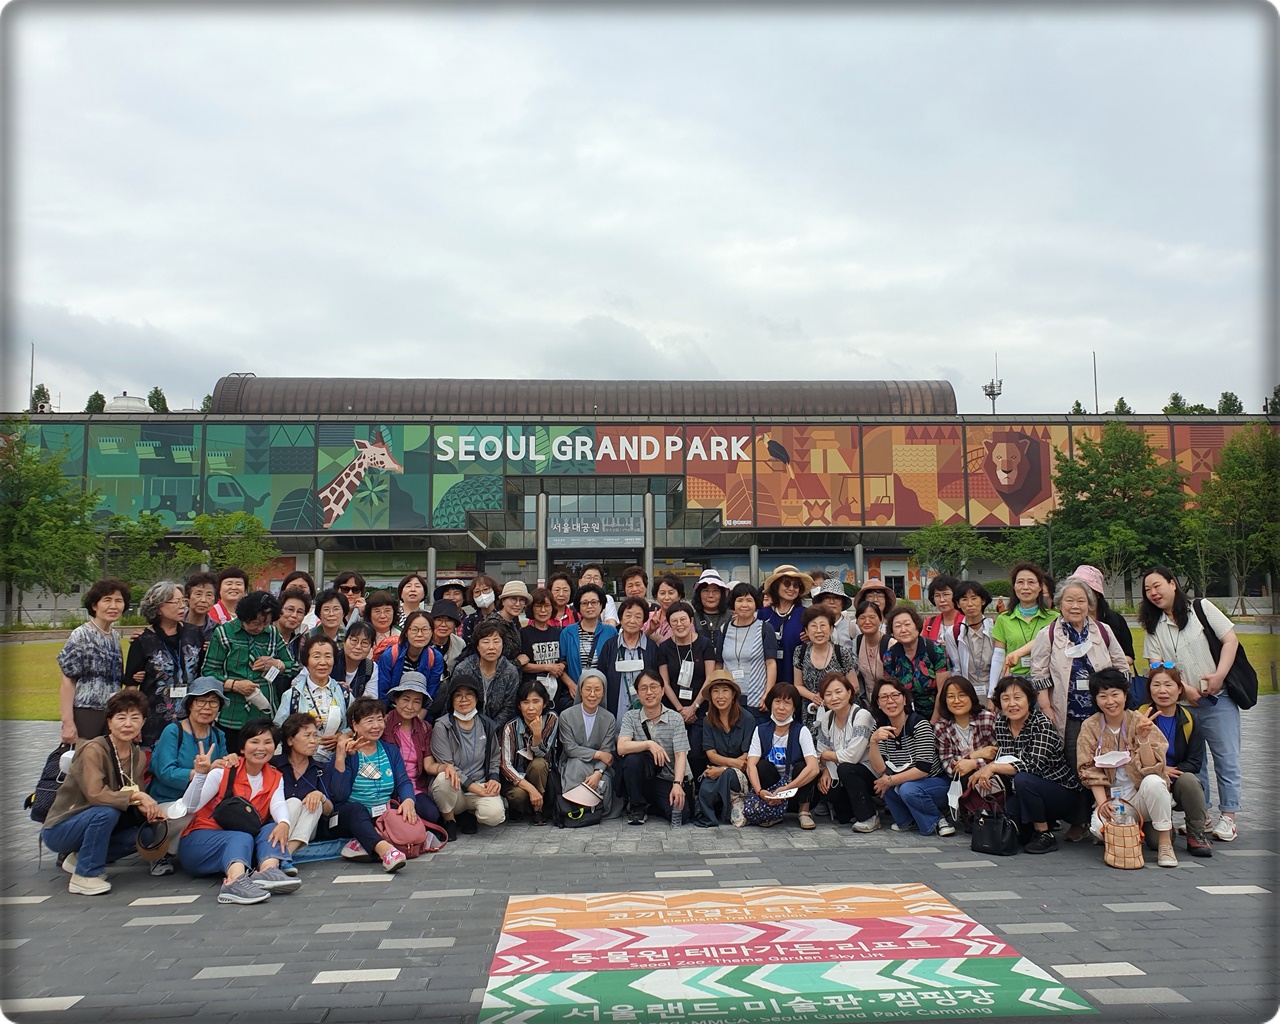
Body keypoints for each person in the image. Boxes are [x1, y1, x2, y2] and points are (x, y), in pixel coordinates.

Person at [1139, 566, 1242, 843]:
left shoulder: (1202, 609)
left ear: (1173, 584)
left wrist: (1219, 675)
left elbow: (1230, 640)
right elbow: (1156, 667)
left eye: (1158, 585)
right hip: (1184, 704)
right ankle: (1201, 814)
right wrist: (1185, 689)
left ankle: (1229, 816)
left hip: (1218, 698)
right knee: (1197, 762)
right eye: (1148, 589)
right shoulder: (1154, 627)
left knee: (1226, 757)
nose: (1153, 593)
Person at [1028, 574, 1130, 840]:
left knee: (1109, 763)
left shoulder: (1103, 631)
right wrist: (1046, 707)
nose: (1075, 606)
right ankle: (1080, 820)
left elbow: (1121, 665)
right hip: (1070, 713)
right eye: (1069, 600)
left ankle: (1109, 815)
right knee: (1078, 766)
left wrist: (1118, 696)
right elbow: (1039, 673)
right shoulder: (1048, 634)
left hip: (1103, 714)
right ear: (1059, 603)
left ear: (1090, 603)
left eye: (1081, 600)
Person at [41, 689, 167, 896]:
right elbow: (96, 795)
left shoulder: (138, 755)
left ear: (143, 722)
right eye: (121, 718)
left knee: (145, 833)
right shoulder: (94, 749)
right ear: (109, 722)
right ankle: (85, 876)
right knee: (106, 812)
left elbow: (135, 795)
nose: (128, 724)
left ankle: (79, 860)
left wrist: (151, 811)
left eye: (135, 718)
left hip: (98, 821)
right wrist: (137, 797)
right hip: (62, 827)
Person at [177, 718, 303, 904]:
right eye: (254, 741)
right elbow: (189, 806)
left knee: (273, 827)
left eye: (267, 742)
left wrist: (284, 823)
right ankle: (233, 882)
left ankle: (267, 871)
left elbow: (278, 804)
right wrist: (201, 775)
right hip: (200, 843)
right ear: (242, 747)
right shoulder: (224, 770)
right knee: (241, 837)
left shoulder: (275, 776)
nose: (261, 748)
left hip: (240, 842)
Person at [1077, 669, 1178, 868]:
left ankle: (1165, 843)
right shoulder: (1090, 726)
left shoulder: (1140, 721)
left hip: (1141, 796)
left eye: (1115, 694)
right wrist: (1103, 804)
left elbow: (1153, 768)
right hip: (1114, 800)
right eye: (1103, 696)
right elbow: (1088, 769)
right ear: (1095, 699)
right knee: (1098, 828)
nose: (1110, 701)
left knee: (1154, 782)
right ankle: (1137, 830)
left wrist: (1143, 738)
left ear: (1125, 695)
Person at [969, 675, 1081, 853]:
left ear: (1029, 700)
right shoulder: (1001, 724)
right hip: (1025, 791)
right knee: (1011, 833)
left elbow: (1033, 766)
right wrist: (982, 768)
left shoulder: (1041, 724)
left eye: (1017, 697)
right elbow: (1005, 758)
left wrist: (992, 767)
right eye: (1006, 699)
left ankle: (1045, 834)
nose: (1012, 704)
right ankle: (1035, 826)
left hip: (1060, 790)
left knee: (1023, 778)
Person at [147, 676, 232, 876]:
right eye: (201, 701)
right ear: (190, 705)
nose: (207, 707)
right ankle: (160, 852)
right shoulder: (173, 731)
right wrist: (200, 772)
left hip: (204, 799)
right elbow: (166, 772)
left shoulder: (218, 735)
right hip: (169, 799)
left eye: (213, 702)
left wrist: (229, 761)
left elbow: (222, 770)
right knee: (186, 813)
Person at [328, 697, 419, 872]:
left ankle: (361, 844)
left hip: (381, 816)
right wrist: (340, 758)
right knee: (357, 810)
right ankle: (387, 852)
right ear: (355, 725)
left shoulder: (390, 751)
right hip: (345, 818)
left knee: (413, 807)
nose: (376, 726)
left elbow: (403, 780)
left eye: (380, 719)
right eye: (369, 721)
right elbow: (339, 795)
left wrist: (409, 800)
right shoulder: (348, 753)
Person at [203, 590, 296, 742]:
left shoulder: (272, 633)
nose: (260, 628)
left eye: (265, 623)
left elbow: (293, 666)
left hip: (264, 711)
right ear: (243, 617)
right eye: (255, 623)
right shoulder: (224, 633)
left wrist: (277, 664)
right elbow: (208, 672)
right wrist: (234, 685)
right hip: (231, 713)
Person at [1139, 664, 1212, 856]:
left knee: (1190, 780)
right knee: (1156, 843)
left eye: (1168, 685)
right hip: (1149, 782)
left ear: (1180, 689)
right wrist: (1160, 770)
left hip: (1177, 779)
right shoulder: (1138, 717)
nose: (1162, 691)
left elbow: (1195, 762)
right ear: (1149, 689)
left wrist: (1170, 773)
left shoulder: (1190, 719)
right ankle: (1164, 825)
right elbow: (1130, 757)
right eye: (1156, 685)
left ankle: (1196, 832)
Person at [867, 679, 952, 836]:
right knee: (886, 786)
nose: (890, 701)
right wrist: (873, 742)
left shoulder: (920, 724)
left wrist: (890, 780)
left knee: (906, 788)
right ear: (878, 703)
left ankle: (938, 819)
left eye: (895, 695)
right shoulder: (879, 727)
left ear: (905, 699)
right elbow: (880, 768)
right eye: (884, 697)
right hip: (907, 782)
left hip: (935, 782)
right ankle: (911, 821)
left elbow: (923, 769)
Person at [125, 580, 204, 748]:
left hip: (191, 717)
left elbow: (203, 672)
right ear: (158, 607)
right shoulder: (143, 641)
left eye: (183, 601)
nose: (182, 606)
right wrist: (133, 723)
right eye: (175, 602)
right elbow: (131, 688)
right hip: (154, 718)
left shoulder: (194, 634)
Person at [427, 674, 506, 840]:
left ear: (477, 697)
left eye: (469, 694)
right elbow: (446, 764)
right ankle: (449, 820)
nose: (464, 699)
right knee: (444, 777)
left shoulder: (487, 724)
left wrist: (493, 778)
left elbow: (494, 757)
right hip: (454, 789)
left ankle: (469, 813)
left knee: (495, 815)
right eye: (458, 695)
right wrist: (475, 788)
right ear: (451, 700)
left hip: (480, 784)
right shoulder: (442, 726)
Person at [58, 577, 129, 744]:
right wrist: (68, 723)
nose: (114, 606)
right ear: (94, 605)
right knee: (85, 757)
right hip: (86, 711)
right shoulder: (81, 635)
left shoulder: (114, 637)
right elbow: (68, 680)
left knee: (107, 757)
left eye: (119, 601)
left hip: (112, 712)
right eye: (107, 600)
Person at [743, 683, 821, 829]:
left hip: (796, 791)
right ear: (770, 704)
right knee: (761, 765)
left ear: (794, 708)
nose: (781, 707)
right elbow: (751, 765)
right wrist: (760, 791)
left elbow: (814, 768)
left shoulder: (801, 730)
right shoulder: (760, 730)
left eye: (787, 703)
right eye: (777, 701)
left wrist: (788, 788)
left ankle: (804, 812)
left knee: (804, 766)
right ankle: (773, 810)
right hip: (772, 793)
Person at [617, 670, 690, 826]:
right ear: (638, 693)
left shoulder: (675, 719)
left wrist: (677, 784)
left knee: (681, 815)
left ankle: (653, 806)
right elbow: (621, 747)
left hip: (668, 779)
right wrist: (649, 744)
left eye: (654, 687)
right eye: (643, 688)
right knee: (632, 759)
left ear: (662, 690)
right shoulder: (631, 717)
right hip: (643, 778)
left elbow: (680, 755)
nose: (649, 692)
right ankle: (637, 807)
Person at [812, 673, 878, 832]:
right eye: (828, 694)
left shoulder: (861, 716)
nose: (834, 698)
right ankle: (851, 811)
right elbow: (821, 750)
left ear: (849, 692)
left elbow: (853, 756)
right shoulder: (828, 718)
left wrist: (826, 757)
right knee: (824, 784)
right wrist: (825, 770)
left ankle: (869, 816)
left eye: (838, 692)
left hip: (869, 772)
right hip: (840, 771)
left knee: (846, 768)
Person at [658, 601, 715, 779]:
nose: (679, 624)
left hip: (700, 708)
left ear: (691, 620)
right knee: (674, 752)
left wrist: (694, 707)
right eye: (674, 621)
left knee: (696, 753)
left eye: (683, 619)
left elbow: (709, 678)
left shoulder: (704, 644)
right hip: (673, 709)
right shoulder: (664, 647)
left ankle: (697, 787)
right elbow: (664, 683)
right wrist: (680, 710)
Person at [272, 712, 341, 862]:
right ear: (290, 740)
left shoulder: (320, 769)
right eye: (307, 736)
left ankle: (286, 853)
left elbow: (329, 810)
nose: (313, 741)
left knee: (316, 801)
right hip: (276, 825)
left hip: (307, 829)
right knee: (293, 803)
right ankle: (284, 858)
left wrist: (321, 797)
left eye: (315, 736)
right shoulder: (273, 765)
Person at [933, 676, 998, 831]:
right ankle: (972, 815)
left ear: (971, 696)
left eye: (962, 695)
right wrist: (976, 756)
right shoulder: (941, 727)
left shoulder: (987, 719)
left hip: (990, 777)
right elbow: (950, 767)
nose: (957, 701)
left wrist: (975, 764)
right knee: (965, 774)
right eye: (951, 696)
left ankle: (990, 814)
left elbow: (997, 755)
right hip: (961, 780)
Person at [273, 635, 351, 762]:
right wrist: (301, 724)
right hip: (301, 763)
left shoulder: (344, 693)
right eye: (316, 656)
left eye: (328, 656)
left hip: (337, 761)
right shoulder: (292, 695)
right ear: (307, 661)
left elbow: (356, 724)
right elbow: (277, 730)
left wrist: (342, 735)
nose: (323, 662)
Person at [694, 670, 754, 827]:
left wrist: (724, 769)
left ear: (733, 694)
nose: (720, 696)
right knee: (705, 790)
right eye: (715, 691)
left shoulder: (747, 718)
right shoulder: (708, 720)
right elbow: (711, 754)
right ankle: (717, 812)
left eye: (725, 690)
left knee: (729, 776)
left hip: (739, 773)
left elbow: (746, 757)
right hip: (716, 769)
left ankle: (731, 808)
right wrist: (724, 767)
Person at [555, 670, 618, 817]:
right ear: (580, 691)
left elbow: (607, 752)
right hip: (573, 762)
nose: (592, 694)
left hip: (599, 767)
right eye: (588, 689)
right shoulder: (566, 716)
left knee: (603, 780)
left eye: (597, 690)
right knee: (577, 765)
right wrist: (598, 754)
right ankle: (573, 809)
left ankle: (595, 812)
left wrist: (598, 773)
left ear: (603, 692)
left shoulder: (609, 718)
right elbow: (570, 749)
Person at [713, 582, 778, 724]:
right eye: (739, 600)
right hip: (728, 699)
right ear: (733, 603)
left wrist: (768, 694)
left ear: (756, 604)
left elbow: (771, 663)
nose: (744, 605)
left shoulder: (765, 628)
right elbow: (719, 664)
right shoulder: (724, 629)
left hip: (756, 698)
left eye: (749, 600)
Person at [381, 675, 442, 824]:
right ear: (396, 699)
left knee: (432, 815)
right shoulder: (383, 723)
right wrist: (345, 735)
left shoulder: (425, 728)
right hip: (388, 787)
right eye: (405, 699)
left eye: (416, 701)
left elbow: (428, 764)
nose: (410, 706)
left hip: (415, 787)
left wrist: (445, 768)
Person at [499, 680, 560, 824]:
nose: (531, 708)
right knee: (518, 795)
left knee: (539, 764)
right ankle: (519, 807)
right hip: (516, 778)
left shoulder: (551, 719)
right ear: (519, 705)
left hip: (540, 775)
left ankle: (538, 810)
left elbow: (543, 754)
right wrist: (531, 789)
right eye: (526, 702)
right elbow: (505, 766)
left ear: (544, 703)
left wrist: (537, 735)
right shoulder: (510, 727)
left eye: (536, 701)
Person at [991, 562, 1058, 692]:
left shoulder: (1055, 618)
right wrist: (992, 692)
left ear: (1040, 587)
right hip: (1015, 683)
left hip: (1047, 681)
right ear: (1014, 587)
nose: (1025, 587)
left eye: (1031, 582)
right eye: (1020, 582)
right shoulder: (1003, 619)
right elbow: (998, 657)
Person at [444, 618, 521, 726]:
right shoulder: (463, 669)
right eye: (485, 642)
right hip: (466, 725)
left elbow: (509, 707)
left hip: (498, 729)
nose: (491, 647)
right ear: (477, 646)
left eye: (496, 642)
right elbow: (454, 702)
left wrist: (492, 728)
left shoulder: (510, 671)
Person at [882, 607, 951, 723]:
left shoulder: (936, 650)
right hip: (905, 718)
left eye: (907, 624)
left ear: (917, 626)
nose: (903, 630)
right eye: (897, 626)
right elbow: (891, 691)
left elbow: (943, 690)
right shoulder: (890, 656)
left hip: (937, 716)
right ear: (892, 632)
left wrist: (933, 722)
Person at [792, 606, 857, 728]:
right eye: (813, 626)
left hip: (839, 713)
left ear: (831, 629)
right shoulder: (800, 652)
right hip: (811, 713)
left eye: (823, 625)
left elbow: (854, 686)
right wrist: (814, 697)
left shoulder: (841, 653)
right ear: (806, 630)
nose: (818, 631)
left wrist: (831, 699)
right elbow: (798, 685)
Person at [598, 596, 661, 719]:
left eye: (638, 617)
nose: (632, 621)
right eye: (628, 616)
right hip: (615, 712)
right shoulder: (610, 646)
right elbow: (602, 677)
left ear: (643, 621)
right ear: (620, 619)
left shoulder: (651, 647)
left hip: (646, 713)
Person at [559, 584, 618, 701]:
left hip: (603, 692)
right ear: (578, 607)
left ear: (601, 605)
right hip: (576, 691)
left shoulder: (610, 631)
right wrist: (571, 685)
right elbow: (560, 664)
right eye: (585, 603)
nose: (590, 606)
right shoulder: (567, 632)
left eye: (594, 602)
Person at [1071, 565, 1135, 669]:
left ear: (1097, 594)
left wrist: (1105, 662)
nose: (1081, 594)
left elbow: (1129, 657)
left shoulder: (1115, 619)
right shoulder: (1063, 623)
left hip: (1109, 677)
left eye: (1086, 590)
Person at [943, 581, 997, 704]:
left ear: (983, 601)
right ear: (958, 603)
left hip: (994, 693)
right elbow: (956, 669)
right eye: (964, 599)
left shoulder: (995, 628)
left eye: (974, 598)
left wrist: (995, 696)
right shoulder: (953, 633)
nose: (970, 604)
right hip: (967, 694)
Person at [759, 565, 813, 685]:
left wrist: (812, 637)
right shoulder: (763, 614)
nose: (792, 588)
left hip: (797, 679)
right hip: (765, 679)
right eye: (787, 583)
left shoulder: (806, 614)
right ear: (776, 586)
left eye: (796, 585)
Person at [375, 609, 443, 704]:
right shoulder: (390, 655)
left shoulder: (435, 658)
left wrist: (422, 713)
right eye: (414, 630)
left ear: (432, 632)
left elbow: (431, 692)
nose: (419, 635)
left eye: (425, 630)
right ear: (406, 632)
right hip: (391, 709)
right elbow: (382, 692)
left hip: (419, 708)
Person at [519, 588, 568, 709]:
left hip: (555, 691)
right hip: (531, 693)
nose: (543, 610)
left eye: (547, 606)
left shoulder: (558, 633)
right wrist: (547, 667)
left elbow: (564, 659)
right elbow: (522, 665)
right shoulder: (523, 633)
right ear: (532, 608)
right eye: (538, 606)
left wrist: (561, 665)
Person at [851, 600, 890, 703]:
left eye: (872, 617)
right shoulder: (857, 642)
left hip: (890, 702)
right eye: (862, 618)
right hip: (869, 703)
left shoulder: (890, 644)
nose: (867, 622)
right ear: (857, 621)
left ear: (880, 620)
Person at [489, 580, 530, 661]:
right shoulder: (493, 624)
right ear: (503, 601)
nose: (518, 604)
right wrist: (518, 662)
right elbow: (491, 660)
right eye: (513, 599)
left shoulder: (513, 621)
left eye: (522, 600)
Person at [427, 599, 467, 682]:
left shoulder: (460, 643)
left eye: (449, 620)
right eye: (439, 619)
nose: (443, 625)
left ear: (455, 624)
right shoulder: (423, 641)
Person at [340, 621, 379, 698]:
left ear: (371, 647)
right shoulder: (331, 660)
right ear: (344, 641)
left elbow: (370, 700)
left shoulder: (370, 668)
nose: (358, 647)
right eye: (354, 640)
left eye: (365, 643)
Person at [810, 578, 854, 646]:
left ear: (842, 603)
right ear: (821, 602)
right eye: (827, 598)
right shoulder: (812, 627)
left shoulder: (853, 628)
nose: (832, 602)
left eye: (836, 598)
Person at [275, 587, 312, 666]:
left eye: (300, 612)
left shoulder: (303, 635)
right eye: (290, 609)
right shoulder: (266, 632)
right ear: (279, 609)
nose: (294, 615)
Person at [692, 569, 732, 641]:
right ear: (699, 594)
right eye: (706, 591)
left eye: (715, 591)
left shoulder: (732, 617)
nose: (711, 595)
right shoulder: (692, 619)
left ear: (722, 594)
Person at [645, 573, 685, 644]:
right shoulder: (648, 617)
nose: (666, 597)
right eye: (662, 593)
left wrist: (660, 640)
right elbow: (635, 640)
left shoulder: (684, 619)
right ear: (656, 595)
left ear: (679, 595)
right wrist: (650, 630)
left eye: (671, 593)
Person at [921, 575, 961, 643]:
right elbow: (925, 646)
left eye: (946, 594)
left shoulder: (967, 621)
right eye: (937, 595)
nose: (942, 600)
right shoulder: (929, 623)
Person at [461, 574, 501, 642]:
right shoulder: (470, 620)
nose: (482, 594)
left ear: (494, 591)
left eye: (485, 589)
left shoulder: (504, 615)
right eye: (477, 592)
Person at [365, 589, 402, 659]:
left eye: (387, 611)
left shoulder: (401, 637)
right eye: (377, 611)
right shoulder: (363, 635)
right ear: (369, 614)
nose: (382, 616)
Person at [183, 571, 219, 642]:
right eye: (198, 594)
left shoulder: (217, 631)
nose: (203, 600)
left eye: (209, 595)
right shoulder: (175, 624)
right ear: (187, 597)